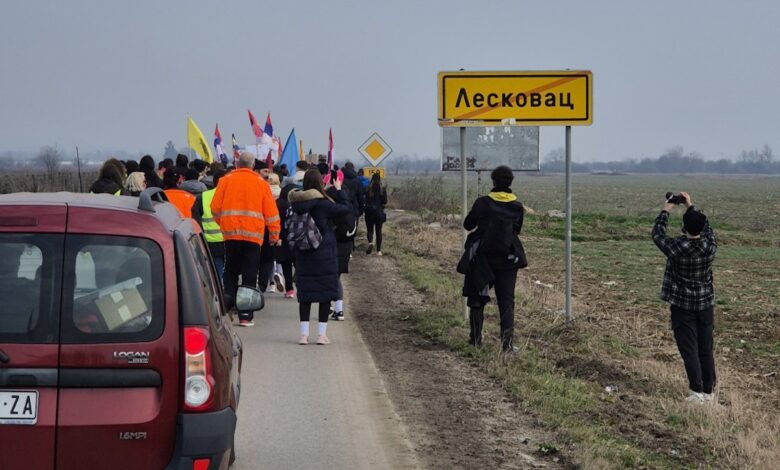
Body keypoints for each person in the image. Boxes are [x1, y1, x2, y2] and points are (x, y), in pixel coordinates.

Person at [652, 192, 717, 403]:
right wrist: (691, 206)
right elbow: (707, 229)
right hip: (705, 303)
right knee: (705, 349)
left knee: (689, 348)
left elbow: (657, 235)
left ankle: (696, 391)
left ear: (684, 228)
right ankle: (709, 392)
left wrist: (666, 209)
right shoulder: (709, 246)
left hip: (682, 305)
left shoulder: (677, 248)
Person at [211, 151, 281, 327]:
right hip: (253, 237)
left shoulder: (225, 181)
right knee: (250, 274)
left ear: (237, 164)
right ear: (252, 166)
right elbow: (271, 213)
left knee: (230, 271)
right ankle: (246, 315)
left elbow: (215, 208)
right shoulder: (260, 183)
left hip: (231, 235)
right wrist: (274, 235)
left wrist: (224, 224)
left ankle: (227, 311)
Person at [461, 166, 526, 352]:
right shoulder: (517, 206)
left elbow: (468, 224)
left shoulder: (482, 203)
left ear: (493, 181)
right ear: (511, 182)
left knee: (477, 298)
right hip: (508, 260)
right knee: (507, 302)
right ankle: (507, 345)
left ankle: (475, 340)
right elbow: (517, 230)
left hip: (483, 260)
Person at [288, 169, 352, 344]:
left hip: (304, 253)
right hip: (324, 253)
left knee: (306, 294)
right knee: (325, 294)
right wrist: (338, 190)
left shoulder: (296, 203)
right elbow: (346, 209)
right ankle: (321, 335)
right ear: (320, 183)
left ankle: (303, 335)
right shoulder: (324, 204)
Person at [326, 178, 357, 321]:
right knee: (336, 278)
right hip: (346, 248)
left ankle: (334, 308)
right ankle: (337, 309)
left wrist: (326, 188)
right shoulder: (350, 210)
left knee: (330, 278)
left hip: (332, 247)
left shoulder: (334, 211)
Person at [192, 170, 227, 278]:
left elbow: (195, 220)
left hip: (210, 242)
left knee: (216, 272)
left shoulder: (202, 197)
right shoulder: (234, 196)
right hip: (231, 240)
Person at [275, 184, 297, 298]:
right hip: (296, 238)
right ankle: (298, 281)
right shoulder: (296, 204)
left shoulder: (278, 203)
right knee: (299, 264)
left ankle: (289, 290)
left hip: (282, 238)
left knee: (286, 265)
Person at [364, 173, 387, 256]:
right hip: (379, 213)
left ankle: (370, 242)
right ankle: (378, 251)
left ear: (372, 179)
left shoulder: (367, 189)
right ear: (380, 179)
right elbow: (384, 201)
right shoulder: (382, 189)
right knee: (378, 231)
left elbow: (365, 200)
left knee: (369, 230)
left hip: (369, 212)